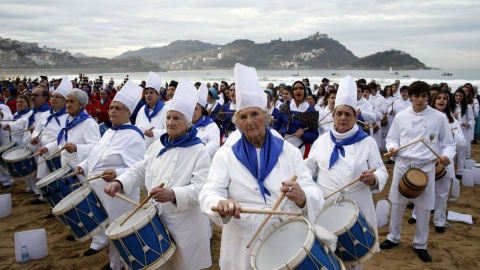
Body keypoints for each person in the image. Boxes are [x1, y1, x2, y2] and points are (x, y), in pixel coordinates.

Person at [199, 63, 323, 270]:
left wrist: (303, 197)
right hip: (241, 238)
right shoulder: (226, 154)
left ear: (266, 117)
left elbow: (311, 189)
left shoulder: (288, 151)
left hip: (283, 233)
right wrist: (220, 203)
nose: (249, 121)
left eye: (255, 114)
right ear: (238, 122)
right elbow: (208, 192)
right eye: (243, 117)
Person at [104, 78, 212, 270]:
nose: (170, 122)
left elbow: (202, 188)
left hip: (185, 224)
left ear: (187, 123)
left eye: (176, 118)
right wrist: (120, 182)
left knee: (183, 264)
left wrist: (173, 194)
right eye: (168, 117)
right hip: (156, 219)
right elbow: (142, 168)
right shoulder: (159, 144)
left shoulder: (199, 150)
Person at [306, 75, 388, 270]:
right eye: (339, 113)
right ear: (333, 115)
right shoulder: (322, 141)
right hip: (325, 206)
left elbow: (382, 170)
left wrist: (374, 178)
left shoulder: (367, 142)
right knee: (325, 257)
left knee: (353, 260)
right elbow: (308, 169)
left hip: (355, 207)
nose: (343, 118)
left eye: (348, 114)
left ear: (356, 117)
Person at [381, 81, 455, 263]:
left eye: (423, 96)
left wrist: (446, 156)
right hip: (403, 164)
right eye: (416, 96)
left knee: (424, 207)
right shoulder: (401, 116)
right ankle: (393, 237)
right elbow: (392, 138)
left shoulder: (438, 117)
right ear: (411, 96)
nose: (420, 100)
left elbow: (449, 144)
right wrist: (392, 148)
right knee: (397, 203)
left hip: (426, 166)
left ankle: (420, 244)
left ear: (428, 96)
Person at [76, 80, 146, 270]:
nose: (113, 111)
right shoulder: (108, 131)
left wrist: (117, 173)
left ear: (129, 113)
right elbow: (95, 155)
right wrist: (83, 165)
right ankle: (114, 261)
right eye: (112, 108)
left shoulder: (134, 136)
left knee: (118, 229)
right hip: (99, 190)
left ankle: (116, 265)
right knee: (106, 227)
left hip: (118, 194)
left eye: (119, 108)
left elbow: (140, 168)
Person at [409, 91, 465, 233]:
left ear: (447, 102)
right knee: (421, 190)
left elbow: (462, 143)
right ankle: (416, 215)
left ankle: (439, 221)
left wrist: (452, 135)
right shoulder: (425, 119)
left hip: (445, 163)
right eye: (439, 98)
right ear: (433, 101)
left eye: (444, 98)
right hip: (426, 161)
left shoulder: (453, 121)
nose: (442, 100)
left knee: (442, 193)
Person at [3, 87, 51, 202]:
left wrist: (37, 132)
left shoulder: (47, 113)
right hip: (30, 147)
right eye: (32, 95)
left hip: (40, 148)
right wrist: (10, 126)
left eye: (36, 95)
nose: (33, 97)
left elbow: (50, 131)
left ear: (44, 98)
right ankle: (41, 194)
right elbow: (22, 122)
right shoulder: (32, 111)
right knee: (34, 173)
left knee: (42, 173)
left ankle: (45, 196)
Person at [37, 89, 100, 173]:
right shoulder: (69, 119)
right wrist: (47, 148)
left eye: (72, 101)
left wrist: (77, 148)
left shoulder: (89, 123)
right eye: (67, 102)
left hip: (81, 170)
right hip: (66, 168)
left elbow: (96, 147)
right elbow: (63, 141)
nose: (68, 105)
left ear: (81, 104)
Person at [31, 76, 69, 179]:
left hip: (58, 152)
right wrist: (35, 137)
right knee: (43, 178)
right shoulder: (45, 114)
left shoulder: (68, 116)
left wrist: (49, 147)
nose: (54, 99)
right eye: (52, 96)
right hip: (42, 151)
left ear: (65, 100)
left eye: (58, 97)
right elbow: (38, 129)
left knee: (58, 179)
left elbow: (66, 136)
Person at [273, 81, 319, 158]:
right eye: (295, 88)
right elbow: (276, 125)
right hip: (284, 147)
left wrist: (304, 135)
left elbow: (314, 135)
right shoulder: (285, 107)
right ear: (292, 92)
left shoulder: (311, 111)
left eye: (301, 88)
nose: (298, 90)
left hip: (302, 149)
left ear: (305, 91)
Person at [135, 72, 167, 149]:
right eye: (146, 93)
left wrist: (154, 134)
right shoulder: (142, 109)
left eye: (151, 92)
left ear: (158, 95)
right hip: (141, 147)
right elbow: (137, 125)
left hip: (158, 148)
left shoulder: (166, 110)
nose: (148, 95)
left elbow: (169, 131)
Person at [451, 88, 474, 179]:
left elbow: (471, 119)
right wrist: (454, 116)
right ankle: (451, 171)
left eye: (460, 96)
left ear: (463, 97)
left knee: (462, 152)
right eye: (456, 95)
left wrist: (468, 124)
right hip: (453, 131)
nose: (458, 97)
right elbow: (446, 117)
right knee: (452, 151)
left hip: (463, 131)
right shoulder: (450, 106)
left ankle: (459, 172)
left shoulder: (468, 107)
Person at [194, 83, 220, 160]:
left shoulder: (211, 126)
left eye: (195, 109)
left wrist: (193, 154)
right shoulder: (187, 124)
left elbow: (214, 146)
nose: (192, 112)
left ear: (202, 111)